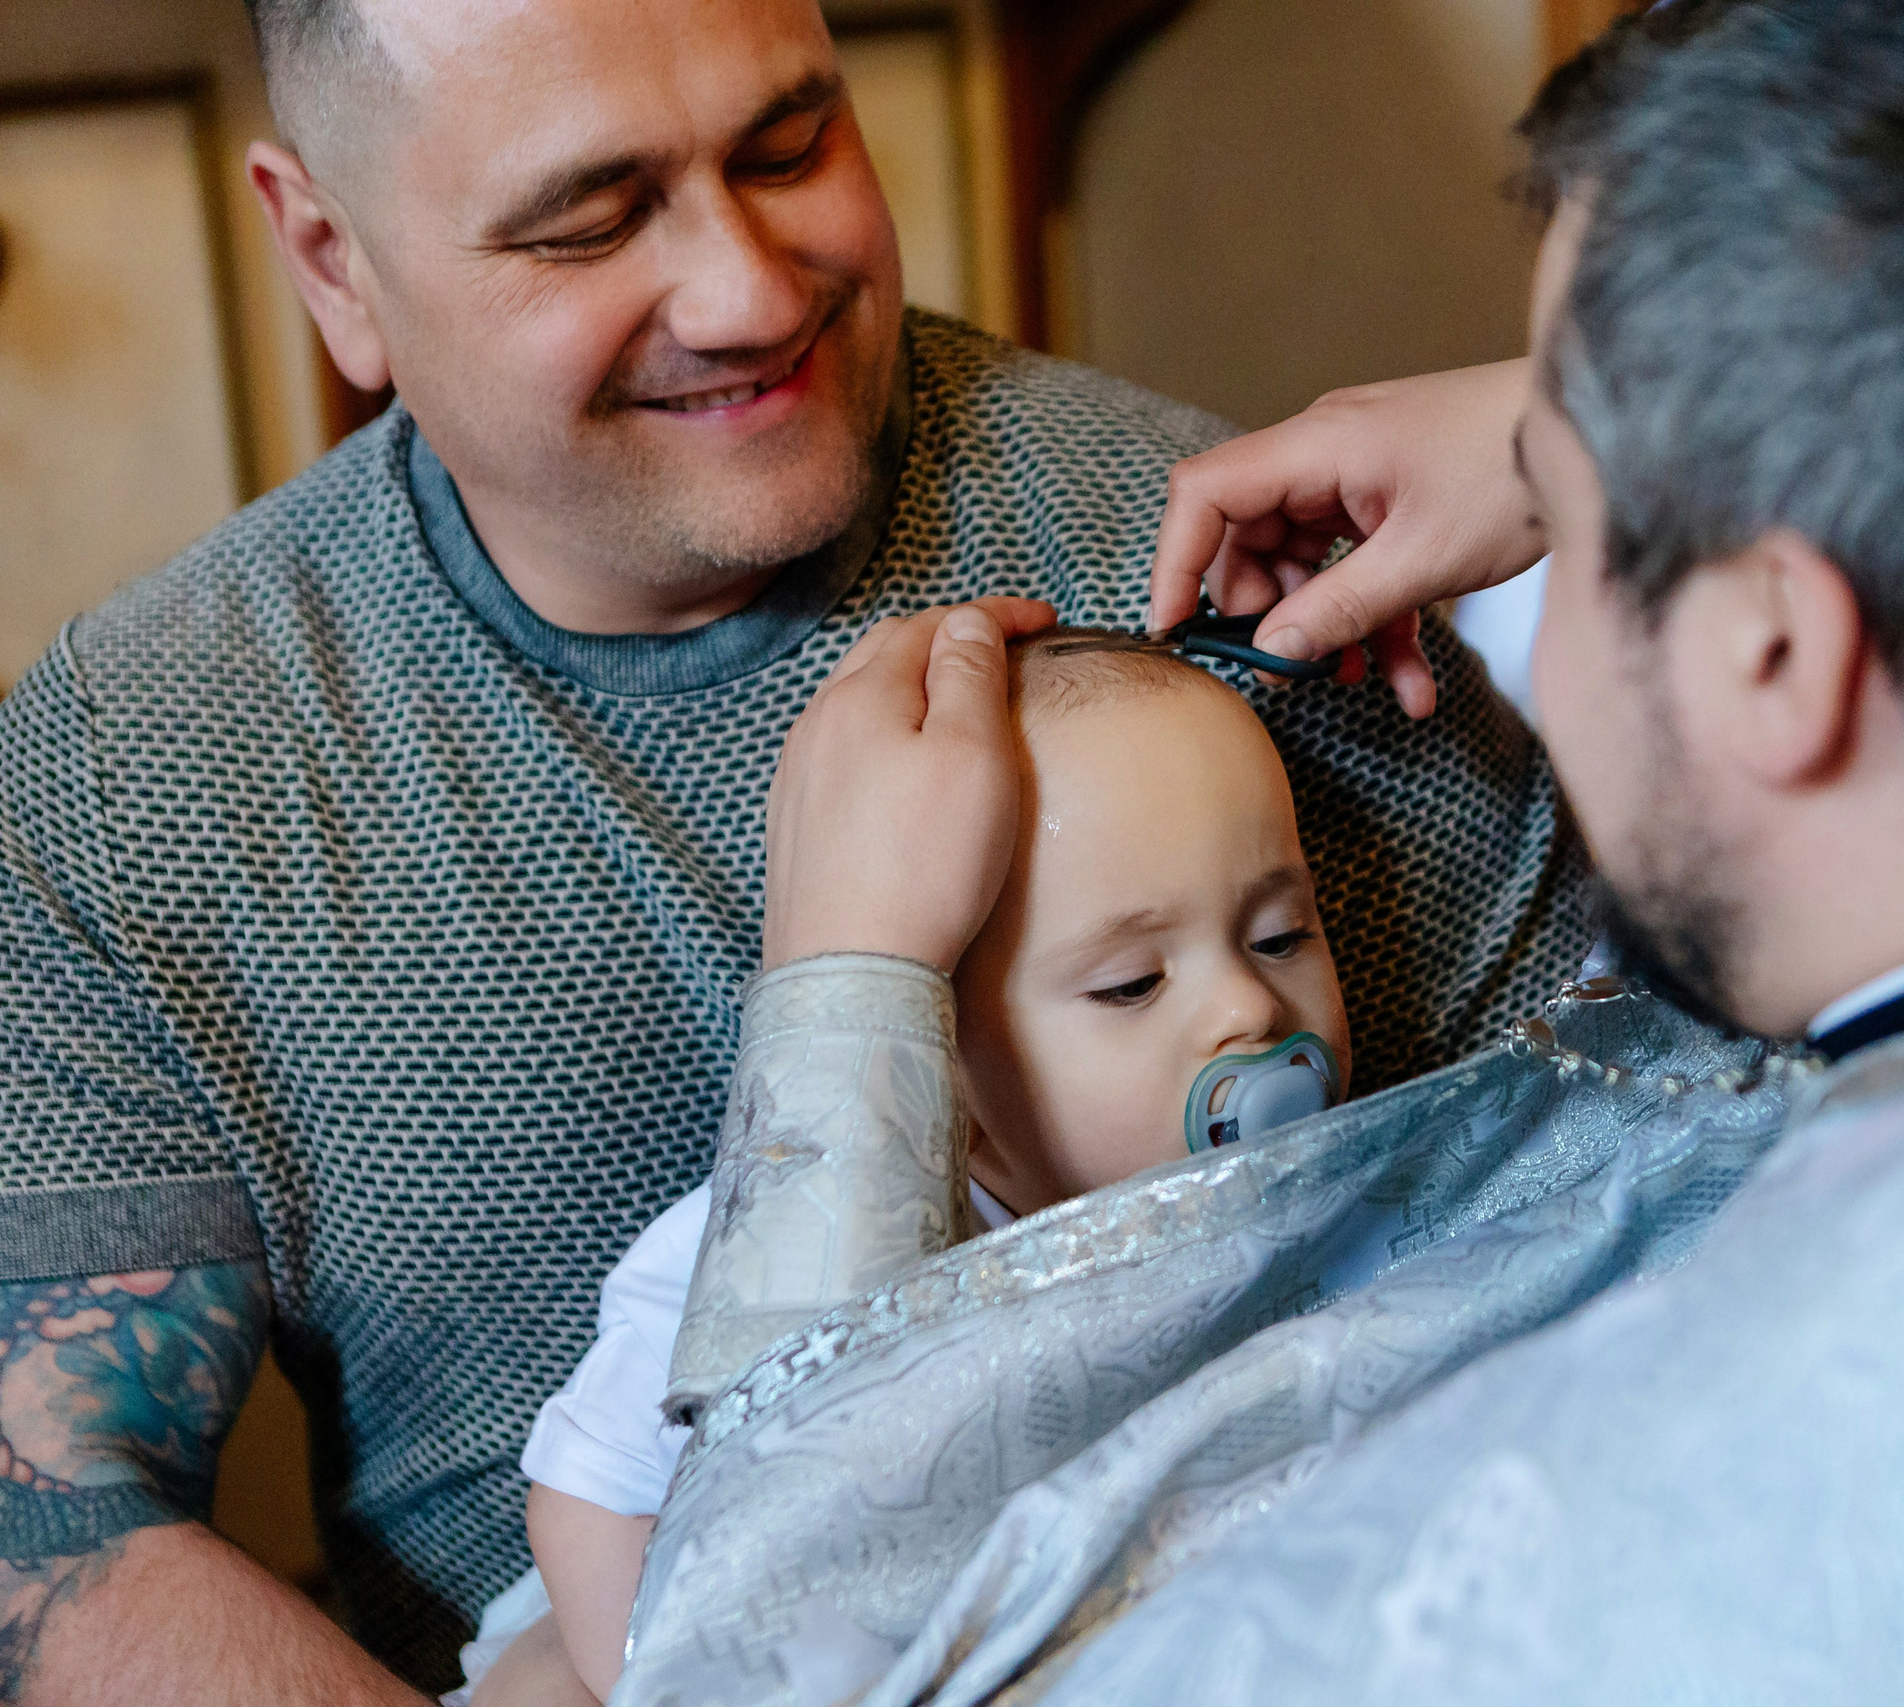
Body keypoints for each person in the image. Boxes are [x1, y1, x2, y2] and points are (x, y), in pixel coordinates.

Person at [605, 2, 1904, 1703]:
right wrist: (1603, 436)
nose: (1521, 580)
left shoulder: (1503, 1574)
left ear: (1780, 646)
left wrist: (847, 987)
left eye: (1569, 535)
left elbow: (761, 1667)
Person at [0, 2, 1584, 1701]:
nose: (746, 293)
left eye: (793, 143)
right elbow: (30, 1517)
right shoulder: (143, 765)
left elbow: (1623, 1195)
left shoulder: (1219, 567)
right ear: (329, 257)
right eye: (589, 218)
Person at [479, 630, 1353, 1704]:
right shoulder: (760, 1239)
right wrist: (661, 1674)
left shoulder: (1322, 1207)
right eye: (1131, 983)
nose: (1248, 1009)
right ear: (950, 1077)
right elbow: (590, 1493)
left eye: (1279, 935)